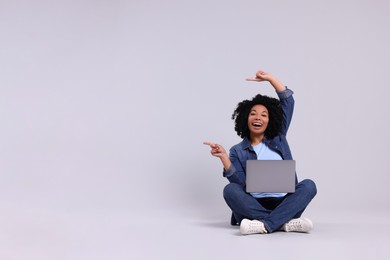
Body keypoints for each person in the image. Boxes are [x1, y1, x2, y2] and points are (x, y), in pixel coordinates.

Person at [204, 70, 317, 235]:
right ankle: (283, 223)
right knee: (230, 191)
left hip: (285, 203)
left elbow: (288, 101)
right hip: (254, 204)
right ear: (245, 118)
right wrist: (224, 157)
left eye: (264, 115)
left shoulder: (279, 138)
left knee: (309, 185)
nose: (258, 118)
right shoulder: (237, 151)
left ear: (270, 120)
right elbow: (241, 185)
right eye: (253, 114)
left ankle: (264, 224)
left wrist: (271, 79)